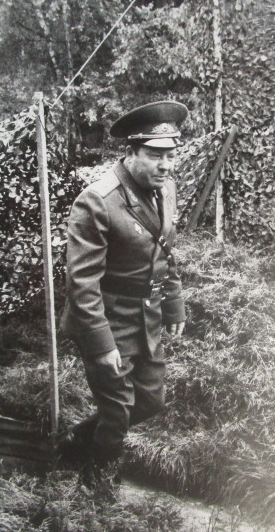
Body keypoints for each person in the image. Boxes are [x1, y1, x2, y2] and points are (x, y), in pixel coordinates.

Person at [57, 100, 188, 498]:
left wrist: (173, 302)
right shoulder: (97, 200)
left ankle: (76, 444)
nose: (165, 166)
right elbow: (82, 282)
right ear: (130, 153)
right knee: (117, 409)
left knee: (150, 401)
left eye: (170, 156)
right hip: (106, 318)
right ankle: (98, 489)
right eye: (154, 156)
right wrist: (101, 344)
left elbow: (165, 250)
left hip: (146, 316)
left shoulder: (165, 190)